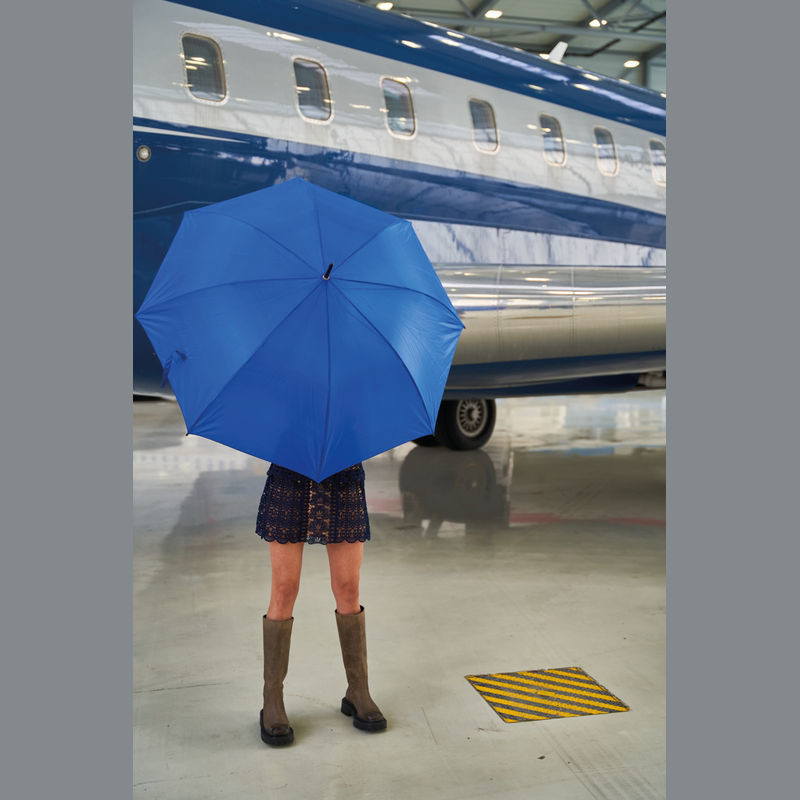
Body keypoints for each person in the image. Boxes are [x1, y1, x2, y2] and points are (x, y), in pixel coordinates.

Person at [254, 461, 386, 746]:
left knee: (348, 588)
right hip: (290, 473)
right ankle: (272, 698)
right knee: (284, 589)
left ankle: (358, 691)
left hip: (344, 474)